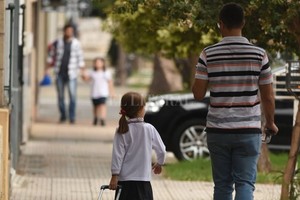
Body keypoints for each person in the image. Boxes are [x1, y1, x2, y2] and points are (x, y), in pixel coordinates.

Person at [192, 3, 278, 200]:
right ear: (243, 23)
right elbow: (267, 96)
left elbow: (198, 93)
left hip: (218, 130)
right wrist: (270, 123)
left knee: (222, 186)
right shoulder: (259, 54)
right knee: (245, 184)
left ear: (220, 24)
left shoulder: (208, 53)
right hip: (248, 130)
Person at [108, 92, 166, 200]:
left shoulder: (121, 130)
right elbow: (162, 150)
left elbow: (117, 155)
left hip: (124, 182)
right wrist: (160, 163)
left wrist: (114, 176)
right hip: (143, 181)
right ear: (140, 109)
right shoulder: (149, 129)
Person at [46, 24, 85, 124]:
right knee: (60, 96)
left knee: (72, 96)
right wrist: (47, 67)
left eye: (71, 31)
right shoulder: (58, 42)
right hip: (59, 73)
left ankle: (72, 117)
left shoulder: (76, 43)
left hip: (72, 73)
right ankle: (63, 115)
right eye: (67, 31)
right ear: (64, 31)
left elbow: (80, 58)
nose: (69, 33)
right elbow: (51, 54)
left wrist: (82, 71)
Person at [83, 57, 114, 126]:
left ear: (103, 64)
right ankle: (96, 117)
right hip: (94, 93)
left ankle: (102, 118)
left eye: (99, 63)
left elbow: (110, 83)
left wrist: (111, 92)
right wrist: (83, 74)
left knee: (102, 105)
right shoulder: (92, 72)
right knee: (95, 106)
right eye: (96, 63)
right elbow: (86, 79)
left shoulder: (106, 73)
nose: (98, 64)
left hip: (103, 93)